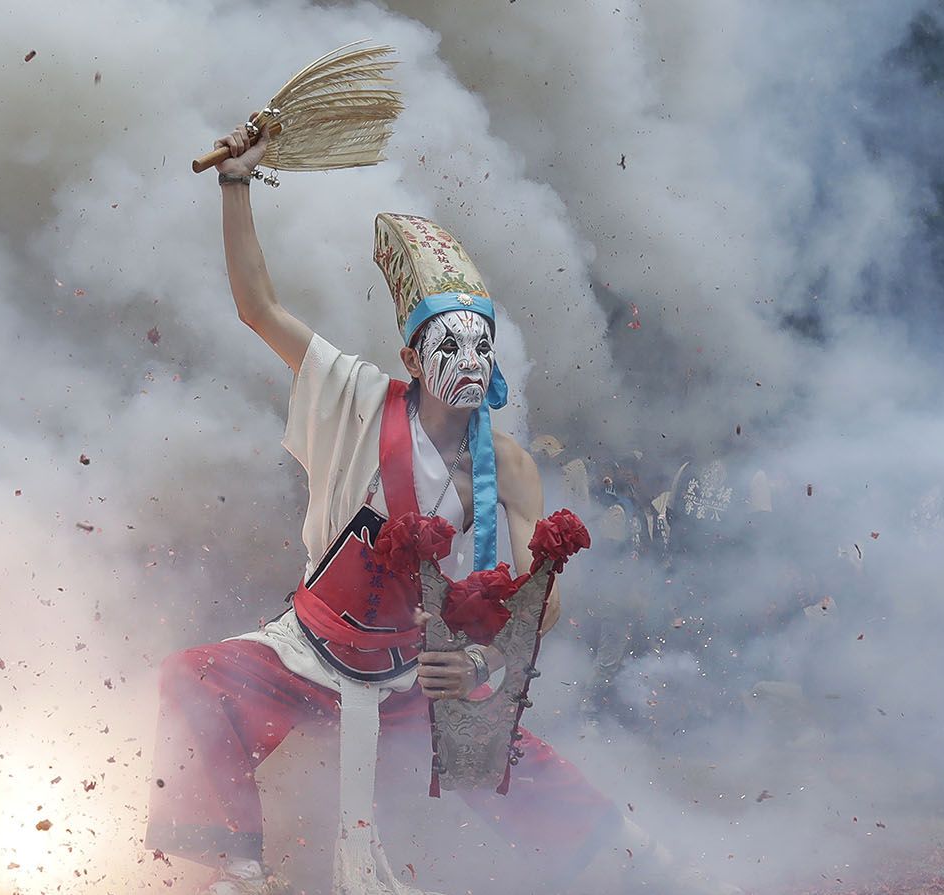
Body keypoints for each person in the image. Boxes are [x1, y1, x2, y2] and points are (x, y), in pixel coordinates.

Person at [146, 125, 724, 895]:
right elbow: (259, 308)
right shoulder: (358, 397)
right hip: (309, 648)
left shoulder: (509, 462)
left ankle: (645, 869)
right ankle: (241, 872)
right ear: (412, 359)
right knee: (197, 678)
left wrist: (486, 645)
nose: (470, 363)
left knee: (503, 749)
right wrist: (236, 186)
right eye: (449, 348)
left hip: (415, 673)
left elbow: (538, 602)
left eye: (482, 347)